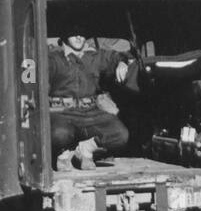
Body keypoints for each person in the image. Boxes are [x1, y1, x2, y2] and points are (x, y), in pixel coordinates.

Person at [47, 26, 137, 170]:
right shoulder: (52, 57)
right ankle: (63, 153)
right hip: (61, 112)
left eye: (82, 33)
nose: (78, 37)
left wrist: (122, 63)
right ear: (64, 35)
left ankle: (84, 150)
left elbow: (119, 56)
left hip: (90, 112)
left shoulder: (95, 56)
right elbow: (29, 74)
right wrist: (27, 83)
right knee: (59, 134)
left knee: (121, 134)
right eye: (73, 32)